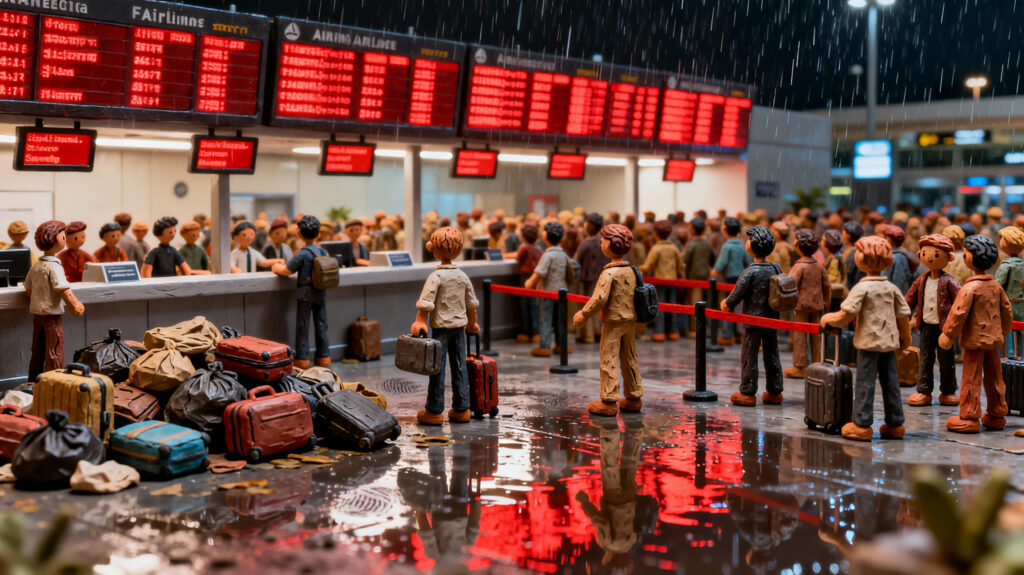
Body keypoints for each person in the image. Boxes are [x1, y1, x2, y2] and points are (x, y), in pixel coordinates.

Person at [821, 236, 912, 442]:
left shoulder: (862, 288)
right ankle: (895, 423)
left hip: (869, 343)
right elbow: (903, 317)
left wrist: (828, 319)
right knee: (891, 382)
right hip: (889, 343)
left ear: (862, 260)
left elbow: (845, 315)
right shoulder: (892, 288)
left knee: (865, 382)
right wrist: (905, 339)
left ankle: (862, 423)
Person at [939, 234, 1012, 434]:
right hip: (993, 340)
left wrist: (948, 335)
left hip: (974, 340)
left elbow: (958, 313)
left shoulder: (970, 288)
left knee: (971, 377)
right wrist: (1002, 331)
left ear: (970, 258)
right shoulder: (995, 286)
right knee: (995, 376)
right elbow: (1007, 310)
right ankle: (997, 413)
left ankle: (969, 416)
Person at [411, 226, 480, 426]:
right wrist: (473, 324)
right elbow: (471, 304)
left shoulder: (436, 277)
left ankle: (434, 411)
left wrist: (420, 321)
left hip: (440, 330)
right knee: (460, 367)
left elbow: (426, 303)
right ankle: (462, 408)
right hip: (459, 328)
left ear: (433, 248)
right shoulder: (462, 276)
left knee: (436, 369)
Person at [573, 224, 643, 416]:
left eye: (604, 240)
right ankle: (634, 395)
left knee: (609, 357)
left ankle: (609, 399)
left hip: (613, 321)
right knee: (629, 356)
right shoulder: (631, 270)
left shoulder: (609, 273)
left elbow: (599, 298)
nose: (601, 242)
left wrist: (584, 314)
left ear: (612, 244)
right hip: (630, 320)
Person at [722, 226, 784, 407]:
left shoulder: (751, 270)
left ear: (752, 246)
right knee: (772, 353)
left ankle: (748, 391)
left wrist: (725, 304)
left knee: (749, 355)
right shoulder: (775, 267)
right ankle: (775, 390)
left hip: (753, 320)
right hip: (771, 318)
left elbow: (736, 294)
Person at [904, 234, 961, 408]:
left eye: (936, 254)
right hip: (926, 325)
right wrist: (904, 314)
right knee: (926, 358)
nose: (929, 257)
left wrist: (956, 324)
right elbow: (909, 299)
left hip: (945, 327)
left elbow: (960, 302)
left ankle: (948, 390)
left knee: (946, 359)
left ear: (949, 257)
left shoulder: (949, 281)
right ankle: (924, 390)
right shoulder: (922, 280)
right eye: (925, 253)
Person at [24, 221, 84, 381]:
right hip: (51, 317)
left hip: (38, 316)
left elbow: (28, 288)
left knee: (36, 350)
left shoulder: (36, 266)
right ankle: (55, 382)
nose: (65, 239)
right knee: (54, 350)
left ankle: (33, 381)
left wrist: (38, 300)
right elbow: (63, 289)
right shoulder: (54, 266)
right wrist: (75, 305)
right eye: (63, 236)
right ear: (54, 239)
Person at [272, 215, 333, 370]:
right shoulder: (322, 251)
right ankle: (324, 356)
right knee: (321, 324)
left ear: (299, 233)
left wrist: (275, 267)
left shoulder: (303, 253)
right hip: (321, 291)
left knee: (303, 325)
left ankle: (303, 358)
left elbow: (287, 271)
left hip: (305, 293)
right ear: (317, 233)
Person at [785, 229, 830, 378]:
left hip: (801, 307)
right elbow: (827, 286)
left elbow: (790, 285)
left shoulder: (799, 266)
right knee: (816, 336)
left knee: (800, 336)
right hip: (817, 306)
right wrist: (826, 302)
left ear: (798, 245)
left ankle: (800, 365)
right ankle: (817, 364)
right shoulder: (819, 266)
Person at [525, 222, 572, 357]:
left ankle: (545, 346)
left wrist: (530, 283)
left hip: (548, 292)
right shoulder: (563, 255)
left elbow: (540, 273)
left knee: (545, 318)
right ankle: (561, 344)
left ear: (546, 237)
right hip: (563, 291)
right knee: (560, 320)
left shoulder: (548, 255)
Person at [639, 219, 684, 342]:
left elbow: (649, 266)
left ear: (656, 233)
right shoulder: (674, 247)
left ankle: (659, 332)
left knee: (660, 306)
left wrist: (639, 267)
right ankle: (673, 331)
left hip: (660, 281)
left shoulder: (656, 249)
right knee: (673, 306)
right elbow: (680, 265)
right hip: (673, 281)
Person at [712, 217, 752, 345]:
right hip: (741, 278)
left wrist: (714, 271)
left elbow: (721, 263)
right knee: (739, 307)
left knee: (727, 306)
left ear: (725, 229)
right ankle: (739, 334)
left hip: (728, 279)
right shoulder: (741, 245)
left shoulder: (727, 246)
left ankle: (727, 335)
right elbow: (748, 261)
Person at [575, 213, 610, 344]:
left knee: (586, 306)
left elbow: (577, 261)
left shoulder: (585, 244)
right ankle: (597, 331)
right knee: (598, 305)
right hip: (602, 277)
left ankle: (587, 334)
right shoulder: (603, 242)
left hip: (587, 279)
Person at [506, 223, 543, 343]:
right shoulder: (537, 248)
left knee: (525, 305)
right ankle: (536, 332)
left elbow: (517, 258)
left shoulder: (524, 247)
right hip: (535, 276)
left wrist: (504, 255)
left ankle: (526, 332)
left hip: (525, 277)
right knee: (534, 305)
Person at [682, 216, 715, 338]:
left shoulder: (692, 244)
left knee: (694, 305)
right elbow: (713, 258)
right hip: (706, 277)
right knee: (705, 304)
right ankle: (704, 328)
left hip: (694, 278)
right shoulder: (707, 244)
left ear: (693, 229)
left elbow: (685, 260)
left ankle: (695, 329)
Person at [994, 226, 1024, 356]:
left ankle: (1010, 358)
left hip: (1009, 304)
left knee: (1009, 333)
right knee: (1022, 334)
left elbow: (997, 286)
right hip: (1022, 304)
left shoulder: (1006, 266)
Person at [881, 225, 913, 294]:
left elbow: (899, 282)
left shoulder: (897, 258)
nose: (884, 239)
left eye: (886, 237)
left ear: (892, 240)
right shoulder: (892, 255)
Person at [821, 229, 847, 312]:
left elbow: (833, 279)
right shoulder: (831, 256)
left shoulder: (836, 259)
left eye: (823, 240)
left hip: (835, 296)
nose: (821, 242)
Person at [843, 221, 866, 290]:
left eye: (843, 235)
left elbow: (847, 273)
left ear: (848, 235)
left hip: (853, 287)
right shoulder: (853, 249)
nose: (842, 238)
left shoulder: (854, 251)